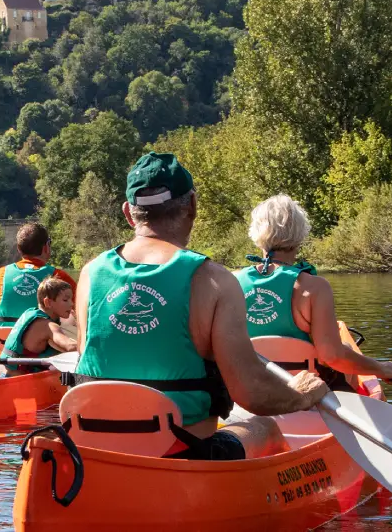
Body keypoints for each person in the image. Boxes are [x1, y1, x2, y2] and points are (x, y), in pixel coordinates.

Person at [74, 152, 331, 461]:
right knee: (265, 428)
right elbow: (252, 395)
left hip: (93, 452)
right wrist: (303, 394)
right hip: (182, 455)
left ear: (129, 213)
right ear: (192, 206)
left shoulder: (89, 274)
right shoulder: (213, 280)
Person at [236, 195, 392, 388]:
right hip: (306, 391)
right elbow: (332, 356)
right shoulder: (315, 288)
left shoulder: (231, 281)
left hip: (249, 388)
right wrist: (381, 368)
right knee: (346, 349)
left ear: (256, 233)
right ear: (300, 235)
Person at [0, 223, 77, 325]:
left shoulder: (0, 274)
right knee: (71, 318)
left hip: (3, 337)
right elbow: (82, 306)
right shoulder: (58, 276)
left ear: (18, 248)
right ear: (46, 247)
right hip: (40, 338)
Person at [0, 277, 78, 373]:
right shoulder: (48, 326)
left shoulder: (31, 312)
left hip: (8, 373)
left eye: (71, 299)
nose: (71, 303)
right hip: (21, 381)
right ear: (48, 302)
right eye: (65, 300)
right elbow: (70, 346)